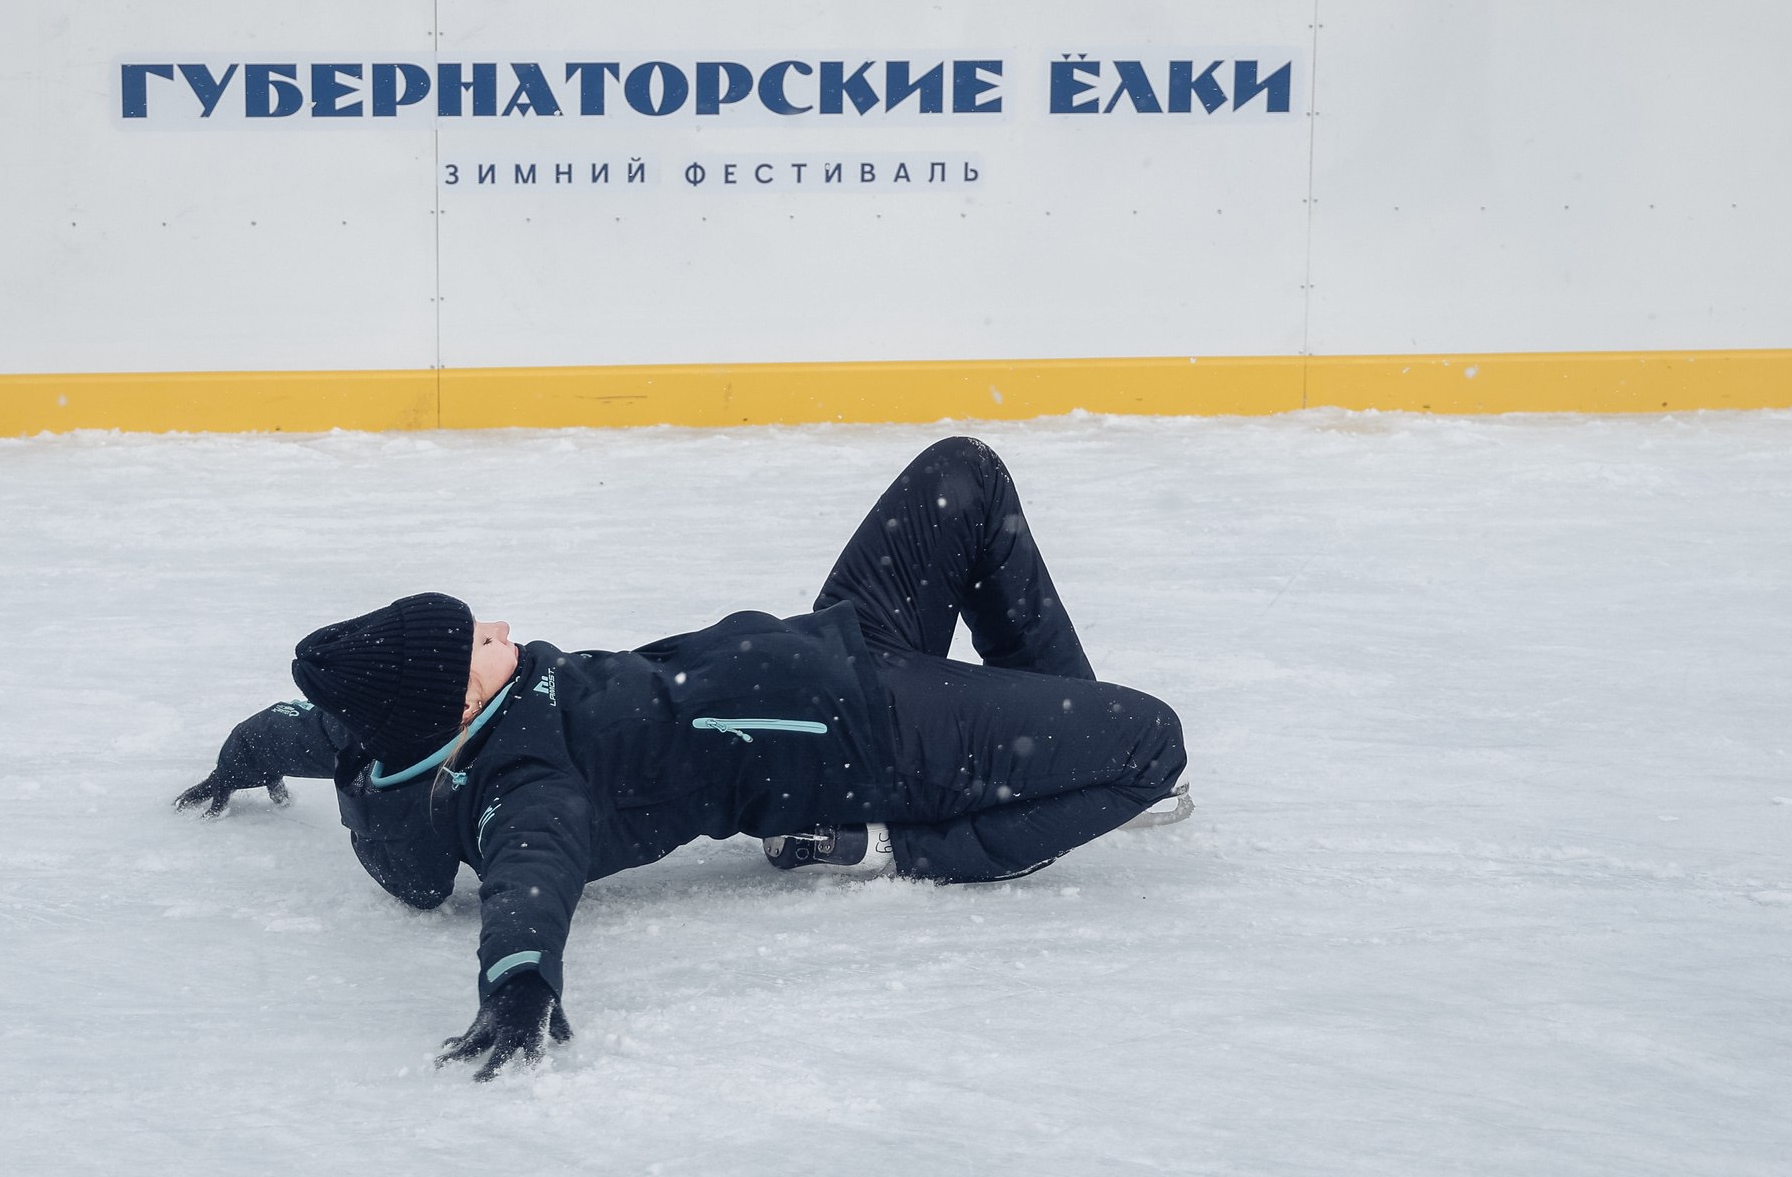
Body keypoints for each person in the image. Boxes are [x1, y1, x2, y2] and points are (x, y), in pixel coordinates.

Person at [174, 437, 1187, 1078]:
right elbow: (530, 881)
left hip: (839, 637)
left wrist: (236, 759)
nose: (504, 626)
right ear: (461, 704)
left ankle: (1063, 745)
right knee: (1151, 745)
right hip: (870, 736)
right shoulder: (524, 786)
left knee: (963, 471)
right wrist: (518, 985)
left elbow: (305, 720)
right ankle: (901, 844)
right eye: (481, 640)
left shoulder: (392, 730)